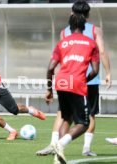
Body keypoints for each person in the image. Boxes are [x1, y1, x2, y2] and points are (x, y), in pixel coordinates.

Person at [36, 0, 111, 157]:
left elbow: (54, 62)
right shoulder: (95, 31)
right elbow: (102, 52)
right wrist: (108, 72)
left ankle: (54, 145)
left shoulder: (64, 33)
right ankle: (85, 148)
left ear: (72, 13)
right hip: (86, 79)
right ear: (88, 14)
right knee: (89, 116)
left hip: (65, 79)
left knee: (63, 115)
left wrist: (49, 88)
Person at [46, 13, 99, 164]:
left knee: (66, 118)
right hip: (76, 82)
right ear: (84, 26)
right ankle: (59, 144)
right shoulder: (91, 43)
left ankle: (58, 156)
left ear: (69, 26)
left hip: (61, 82)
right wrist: (83, 80)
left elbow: (50, 69)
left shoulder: (62, 43)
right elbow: (95, 71)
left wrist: (49, 89)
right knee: (84, 124)